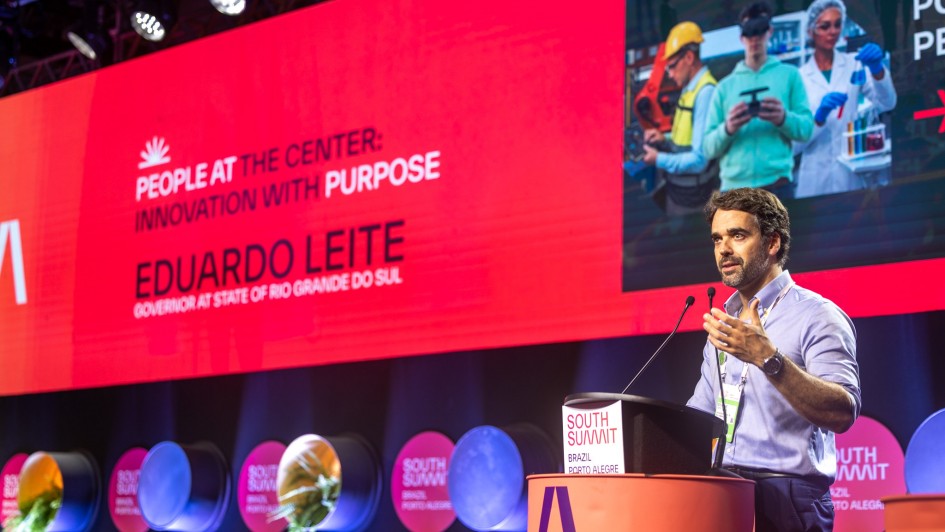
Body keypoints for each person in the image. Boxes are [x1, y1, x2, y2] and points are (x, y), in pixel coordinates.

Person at [688, 188, 860, 531]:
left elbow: (843, 412)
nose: (724, 249)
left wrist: (767, 357)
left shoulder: (817, 315)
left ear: (772, 243)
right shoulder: (724, 326)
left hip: (790, 498)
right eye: (717, 238)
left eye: (738, 235)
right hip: (724, 491)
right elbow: (698, 416)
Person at [703, 2, 814, 200]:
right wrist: (728, 127)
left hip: (777, 186)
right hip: (735, 191)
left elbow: (806, 129)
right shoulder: (724, 88)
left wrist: (783, 118)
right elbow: (708, 148)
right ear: (741, 37)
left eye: (760, 30)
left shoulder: (790, 76)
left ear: (769, 31)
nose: (754, 38)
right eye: (749, 32)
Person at [794, 0, 897, 198]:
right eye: (824, 26)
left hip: (849, 174)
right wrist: (819, 117)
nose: (832, 31)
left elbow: (887, 103)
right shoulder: (798, 78)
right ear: (810, 31)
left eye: (837, 24)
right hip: (813, 180)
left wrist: (877, 70)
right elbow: (792, 146)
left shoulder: (854, 64)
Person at [642, 21, 720, 216]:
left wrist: (658, 158)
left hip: (692, 201)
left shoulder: (705, 93)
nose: (669, 73)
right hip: (681, 194)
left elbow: (699, 160)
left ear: (689, 57)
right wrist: (664, 138)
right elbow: (687, 138)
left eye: (672, 66)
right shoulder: (689, 89)